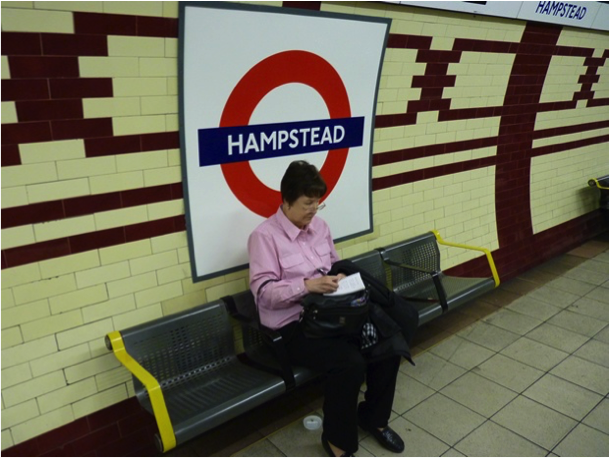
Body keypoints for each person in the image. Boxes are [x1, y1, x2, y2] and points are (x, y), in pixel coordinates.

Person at [248, 160, 405, 457]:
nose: (313, 211)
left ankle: (373, 419)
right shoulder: (264, 237)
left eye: (317, 204)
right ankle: (337, 441)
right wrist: (307, 285)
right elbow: (264, 294)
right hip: (291, 327)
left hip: (332, 314)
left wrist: (339, 277)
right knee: (349, 363)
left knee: (388, 342)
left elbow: (332, 264)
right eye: (307, 203)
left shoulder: (320, 227)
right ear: (286, 200)